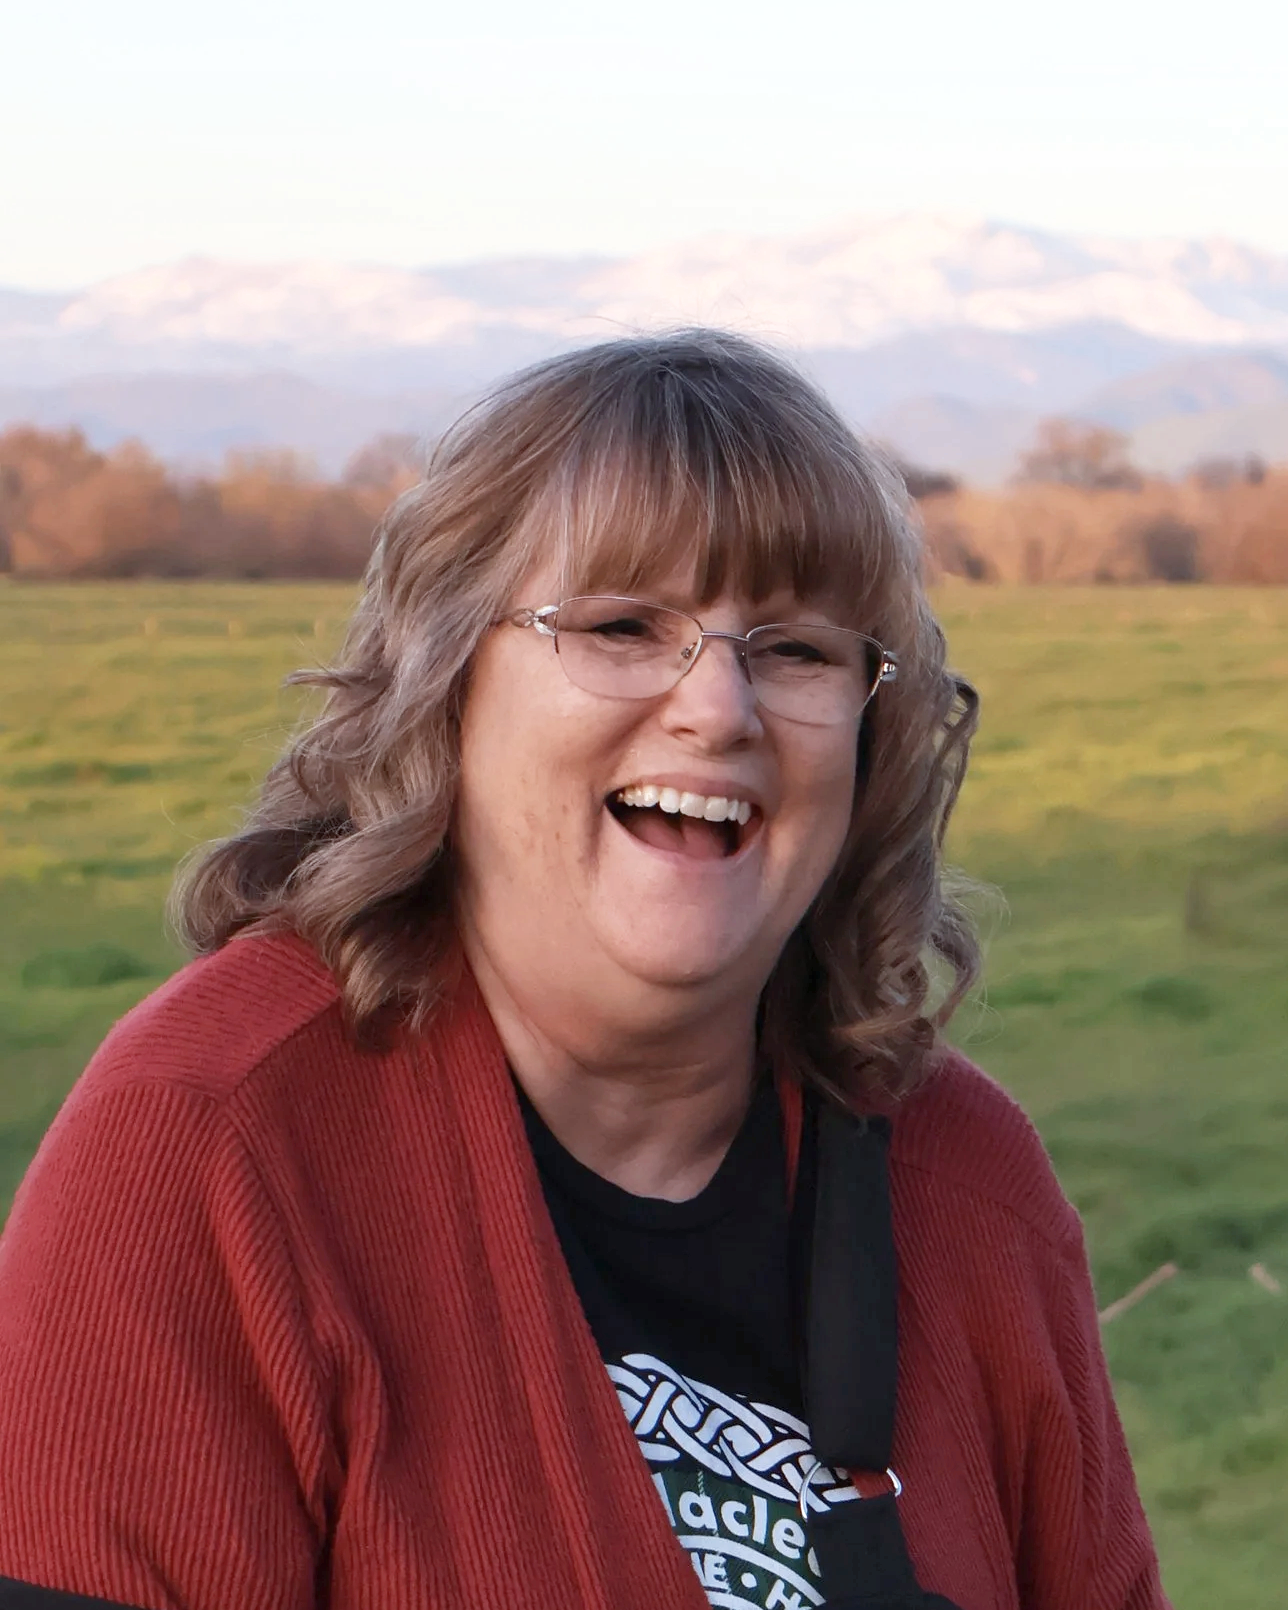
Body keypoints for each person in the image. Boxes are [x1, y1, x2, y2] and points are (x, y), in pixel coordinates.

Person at [0, 331, 1168, 1610]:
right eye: (621, 626)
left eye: (797, 649)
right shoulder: (209, 1150)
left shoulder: (969, 1187)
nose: (718, 708)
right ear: (445, 683)